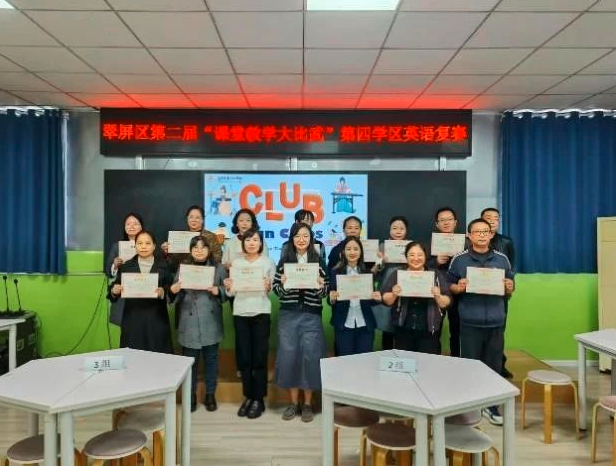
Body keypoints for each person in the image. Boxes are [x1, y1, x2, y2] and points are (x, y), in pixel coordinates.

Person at [448, 218, 515, 426]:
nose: (482, 235)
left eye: (485, 231)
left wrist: (509, 286)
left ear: (491, 234)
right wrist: (458, 287)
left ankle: (491, 406)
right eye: (477, 232)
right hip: (469, 321)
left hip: (495, 321)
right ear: (469, 235)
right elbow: (449, 285)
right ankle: (470, 405)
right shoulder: (459, 259)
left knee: (493, 366)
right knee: (469, 366)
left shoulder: (502, 259)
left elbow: (511, 286)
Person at [273, 222, 328, 422]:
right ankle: (293, 403)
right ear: (292, 239)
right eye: (297, 236)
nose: (301, 239)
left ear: (311, 238)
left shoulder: (318, 261)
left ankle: (307, 404)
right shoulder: (284, 261)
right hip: (288, 315)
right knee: (289, 357)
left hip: (311, 315)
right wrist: (283, 285)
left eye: (305, 235)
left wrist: (321, 286)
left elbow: (325, 291)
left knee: (310, 357)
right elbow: (277, 290)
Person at [169, 235, 227, 413]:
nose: (199, 251)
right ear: (190, 250)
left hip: (210, 320)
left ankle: (210, 395)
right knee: (190, 363)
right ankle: (191, 395)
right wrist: (174, 290)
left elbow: (227, 292)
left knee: (211, 360)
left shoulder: (218, 268)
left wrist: (219, 290)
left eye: (203, 247)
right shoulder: (183, 268)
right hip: (189, 320)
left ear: (209, 250)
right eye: (195, 248)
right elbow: (175, 293)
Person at [224, 229, 276, 420]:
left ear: (261, 243)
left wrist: (268, 286)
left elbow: (271, 290)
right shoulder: (236, 263)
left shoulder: (268, 262)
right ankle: (248, 396)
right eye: (248, 240)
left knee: (259, 358)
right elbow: (231, 293)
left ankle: (259, 399)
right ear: (243, 243)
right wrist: (228, 287)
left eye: (255, 240)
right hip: (240, 313)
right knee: (245, 358)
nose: (252, 243)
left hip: (261, 312)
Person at [108, 230, 173, 353]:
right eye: (140, 243)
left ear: (154, 246)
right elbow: (113, 290)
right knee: (133, 355)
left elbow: (172, 289)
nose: (143, 247)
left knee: (158, 355)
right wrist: (114, 290)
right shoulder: (126, 266)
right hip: (133, 318)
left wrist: (163, 292)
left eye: (148, 243)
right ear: (135, 246)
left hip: (156, 318)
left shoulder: (164, 265)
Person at [381, 242, 451, 354]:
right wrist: (394, 294)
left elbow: (447, 301)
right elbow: (385, 300)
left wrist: (438, 296)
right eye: (412, 255)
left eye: (420, 255)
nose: (416, 258)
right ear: (406, 257)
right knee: (405, 361)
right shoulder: (398, 274)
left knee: (427, 361)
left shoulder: (435, 274)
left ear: (425, 256)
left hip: (428, 329)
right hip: (403, 328)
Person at [328, 236, 381, 356]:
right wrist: (332, 298)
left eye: (356, 249)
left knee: (364, 361)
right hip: (344, 325)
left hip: (365, 325)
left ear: (361, 252)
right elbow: (330, 299)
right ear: (343, 252)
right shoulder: (335, 273)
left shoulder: (367, 273)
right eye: (348, 249)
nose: (352, 252)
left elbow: (371, 301)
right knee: (345, 361)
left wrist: (377, 298)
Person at [481, 207, 516, 379]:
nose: (492, 220)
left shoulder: (506, 242)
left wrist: (509, 288)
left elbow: (511, 268)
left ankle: (499, 365)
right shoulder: (472, 240)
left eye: (496, 218)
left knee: (498, 331)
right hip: (476, 294)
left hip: (499, 294)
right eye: (488, 217)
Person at [427, 207, 462, 357]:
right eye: (442, 220)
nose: (446, 222)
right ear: (437, 224)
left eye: (449, 219)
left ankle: (456, 360)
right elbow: (421, 266)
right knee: (434, 329)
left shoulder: (465, 243)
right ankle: (434, 360)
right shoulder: (429, 244)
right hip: (437, 291)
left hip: (459, 292)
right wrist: (436, 261)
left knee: (458, 329)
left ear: (455, 222)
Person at [373, 216, 411, 350]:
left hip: (406, 291)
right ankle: (387, 356)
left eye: (401, 228)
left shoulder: (411, 247)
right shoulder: (382, 247)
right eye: (394, 228)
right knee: (387, 329)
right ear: (389, 230)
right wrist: (380, 261)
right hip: (386, 289)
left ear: (406, 230)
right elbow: (374, 273)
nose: (398, 231)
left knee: (403, 328)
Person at [106, 212, 143, 326]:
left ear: (141, 227)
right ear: (124, 227)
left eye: (135, 224)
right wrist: (115, 266)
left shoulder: (147, 245)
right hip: (124, 295)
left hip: (142, 292)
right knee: (126, 331)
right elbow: (109, 273)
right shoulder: (117, 246)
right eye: (128, 224)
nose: (131, 226)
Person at [162, 205, 222, 273]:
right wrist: (167, 252)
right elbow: (172, 262)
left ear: (202, 220)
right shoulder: (180, 237)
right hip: (184, 272)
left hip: (205, 272)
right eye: (191, 217)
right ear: (187, 219)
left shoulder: (210, 236)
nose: (194, 220)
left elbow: (217, 258)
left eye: (197, 217)